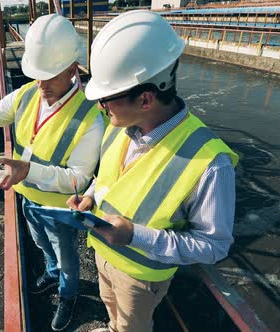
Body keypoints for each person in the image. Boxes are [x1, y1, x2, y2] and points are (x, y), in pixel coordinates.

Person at [66, 10, 239, 332]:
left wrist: (135, 235)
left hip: (141, 278)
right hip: (103, 253)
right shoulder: (120, 125)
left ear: (145, 99)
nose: (100, 105)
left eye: (107, 98)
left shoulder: (210, 162)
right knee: (112, 312)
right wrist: (90, 197)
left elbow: (214, 246)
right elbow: (109, 179)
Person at [0, 14, 105, 331]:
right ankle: (50, 271)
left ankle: (68, 295)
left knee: (66, 258)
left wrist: (27, 169)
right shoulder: (26, 95)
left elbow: (78, 179)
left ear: (73, 70)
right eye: (38, 75)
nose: (42, 84)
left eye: (51, 76)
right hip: (26, 198)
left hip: (58, 208)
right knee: (40, 243)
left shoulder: (91, 119)